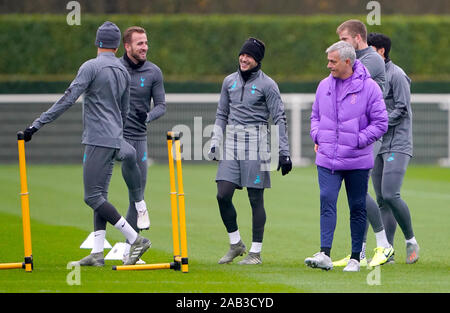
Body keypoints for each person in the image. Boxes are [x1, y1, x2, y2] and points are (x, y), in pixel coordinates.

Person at [22, 21, 151, 266]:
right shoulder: (124, 70)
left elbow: (68, 99)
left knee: (92, 197)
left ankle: (134, 239)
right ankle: (97, 254)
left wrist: (36, 125)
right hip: (115, 139)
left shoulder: (90, 67)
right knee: (100, 195)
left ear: (97, 42)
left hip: (98, 140)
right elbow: (124, 111)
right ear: (116, 45)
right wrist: (116, 135)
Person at [305, 41, 388, 272]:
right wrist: (317, 135)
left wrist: (358, 140)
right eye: (328, 60)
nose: (328, 65)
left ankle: (355, 258)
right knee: (326, 200)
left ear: (347, 62)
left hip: (357, 160)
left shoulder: (370, 88)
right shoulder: (323, 85)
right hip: (327, 159)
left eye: (333, 61)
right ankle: (324, 254)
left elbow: (381, 123)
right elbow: (315, 116)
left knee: (357, 206)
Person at [208, 37, 292, 265]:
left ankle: (255, 253)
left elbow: (279, 118)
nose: (244, 59)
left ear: (258, 60)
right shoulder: (228, 82)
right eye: (242, 54)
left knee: (256, 199)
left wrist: (283, 152)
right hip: (231, 146)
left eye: (250, 56)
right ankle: (236, 244)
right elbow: (221, 114)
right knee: (222, 194)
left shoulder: (268, 85)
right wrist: (215, 141)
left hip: (257, 147)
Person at [335, 19, 393, 267]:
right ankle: (360, 251)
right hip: (352, 134)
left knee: (359, 191)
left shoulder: (371, 60)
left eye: (345, 40)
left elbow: (346, 83)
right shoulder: (355, 60)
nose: (341, 45)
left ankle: (385, 246)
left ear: (358, 38)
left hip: (368, 134)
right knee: (355, 191)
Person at [367, 32, 419, 264]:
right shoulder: (369, 76)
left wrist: (378, 123)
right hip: (378, 143)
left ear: (381, 51)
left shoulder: (397, 75)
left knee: (390, 194)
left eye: (369, 50)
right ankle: (385, 252)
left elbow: (402, 109)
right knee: (380, 199)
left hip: (397, 143)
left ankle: (411, 241)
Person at [119, 26, 167, 264]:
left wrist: (146, 117)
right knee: (98, 192)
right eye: (140, 43)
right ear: (127, 46)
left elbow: (161, 106)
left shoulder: (154, 72)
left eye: (146, 42)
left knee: (134, 196)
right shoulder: (114, 69)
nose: (145, 47)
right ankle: (97, 248)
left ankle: (130, 252)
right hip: (113, 138)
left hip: (138, 138)